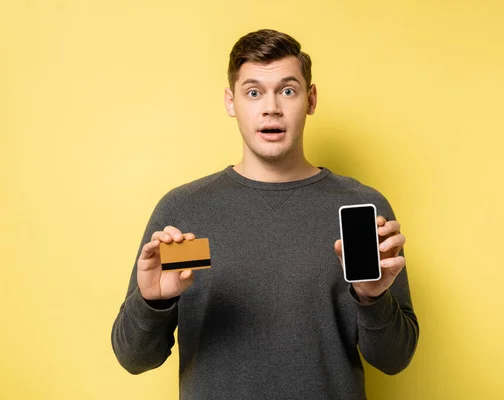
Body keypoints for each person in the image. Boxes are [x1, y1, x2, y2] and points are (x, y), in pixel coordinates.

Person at [111, 28, 419, 400]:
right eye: (253, 92)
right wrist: (153, 303)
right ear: (231, 102)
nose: (271, 107)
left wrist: (371, 299)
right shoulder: (187, 210)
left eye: (287, 90)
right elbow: (134, 358)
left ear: (311, 98)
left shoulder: (357, 210)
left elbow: (394, 359)